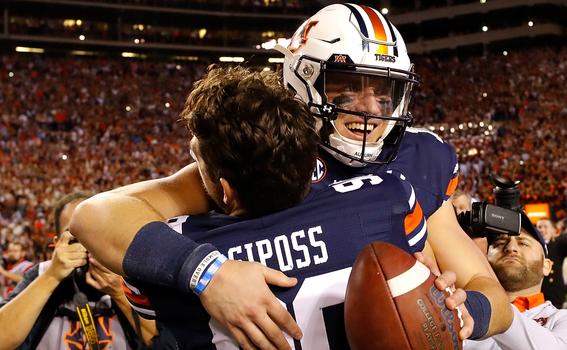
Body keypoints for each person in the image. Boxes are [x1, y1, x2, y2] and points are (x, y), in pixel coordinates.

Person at [71, 4, 512, 349]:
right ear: (302, 80)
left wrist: (465, 311)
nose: (369, 109)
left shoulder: (418, 157)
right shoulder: (270, 152)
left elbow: (488, 292)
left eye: (384, 91)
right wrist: (209, 274)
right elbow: (97, 216)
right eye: (348, 86)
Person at [117, 65, 473, 348]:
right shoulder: (389, 197)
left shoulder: (181, 243)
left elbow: (110, 224)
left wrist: (206, 273)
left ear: (226, 190)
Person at [0, 192, 162, 349]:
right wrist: (51, 277)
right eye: (75, 236)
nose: (87, 245)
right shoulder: (43, 273)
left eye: (94, 233)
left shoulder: (128, 275)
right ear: (57, 244)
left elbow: (165, 342)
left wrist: (120, 295)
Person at [460, 220, 567, 349]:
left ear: (546, 266)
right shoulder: (460, 313)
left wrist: (492, 305)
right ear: (486, 260)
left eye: (523, 243)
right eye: (500, 243)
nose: (511, 247)